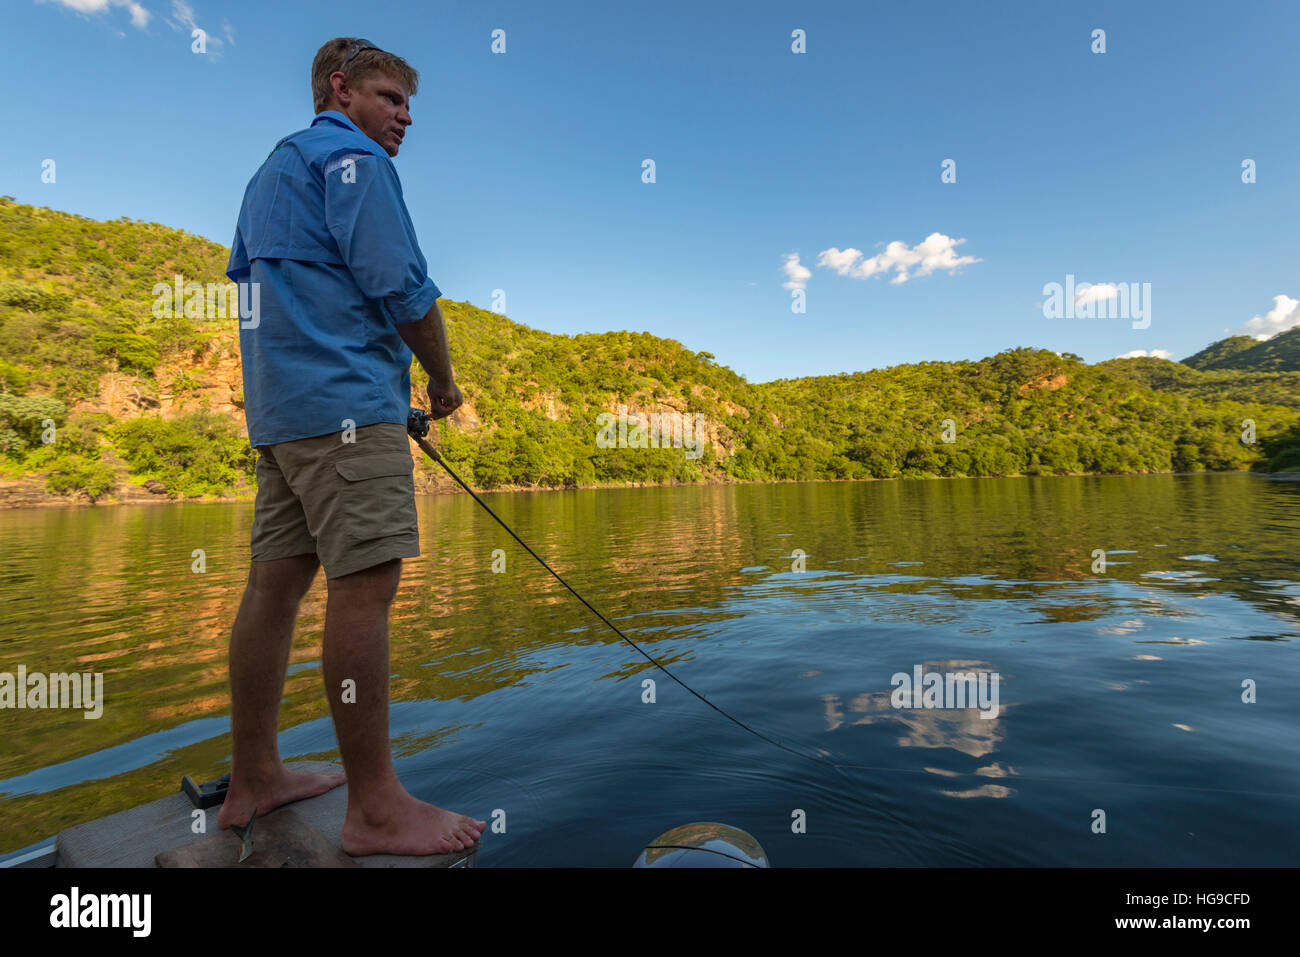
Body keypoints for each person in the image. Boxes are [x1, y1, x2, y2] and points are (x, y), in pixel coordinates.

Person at [218, 37, 485, 857]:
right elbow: (401, 284)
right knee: (364, 590)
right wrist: (440, 383)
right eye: (390, 96)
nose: (405, 117)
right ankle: (375, 807)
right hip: (346, 412)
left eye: (409, 104)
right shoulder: (354, 160)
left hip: (283, 415)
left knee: (275, 590)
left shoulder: (268, 174)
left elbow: (263, 291)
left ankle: (253, 778)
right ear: (340, 88)